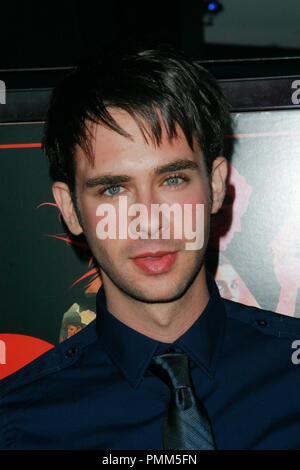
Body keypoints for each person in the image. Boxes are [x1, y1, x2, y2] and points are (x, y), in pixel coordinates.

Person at [1, 45, 300, 451]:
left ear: (214, 186)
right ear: (70, 209)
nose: (150, 218)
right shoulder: (18, 423)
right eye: (113, 188)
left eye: (172, 180)